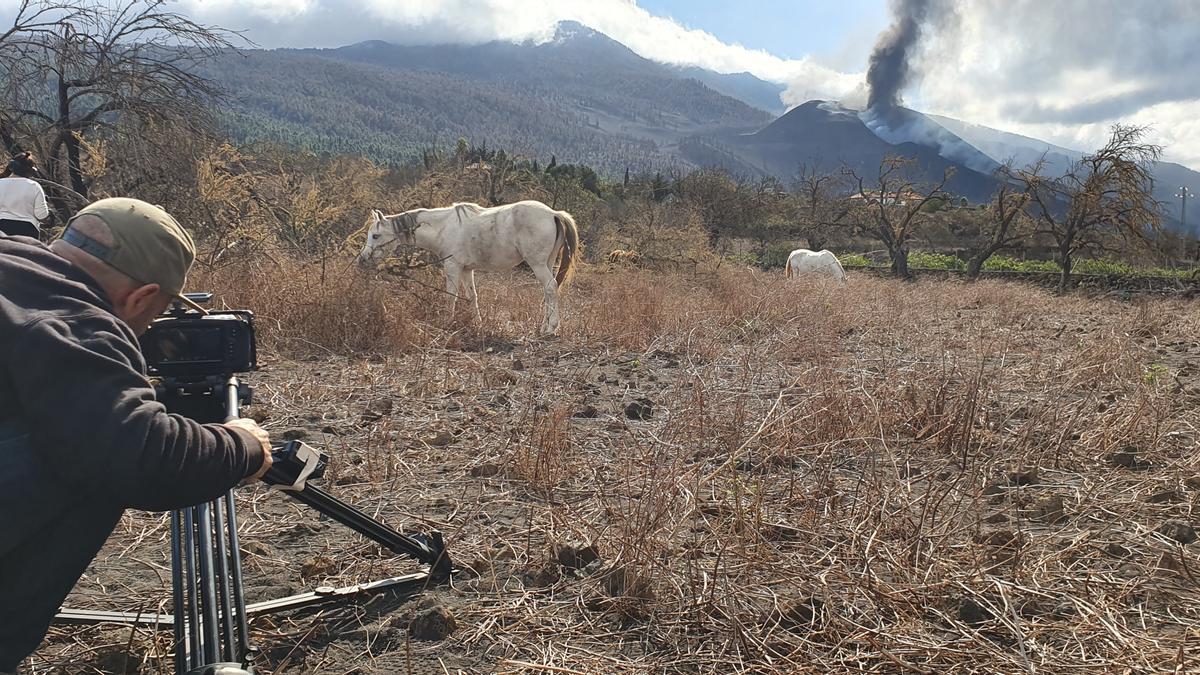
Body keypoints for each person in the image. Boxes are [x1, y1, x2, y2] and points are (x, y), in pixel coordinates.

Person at [0, 197, 274, 672]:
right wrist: (244, 445)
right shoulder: (75, 322)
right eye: (156, 316)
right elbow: (143, 456)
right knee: (79, 451)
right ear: (142, 297)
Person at [0, 152, 50, 238]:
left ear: (11, 167)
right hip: (28, 231)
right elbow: (41, 216)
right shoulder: (35, 186)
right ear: (30, 170)